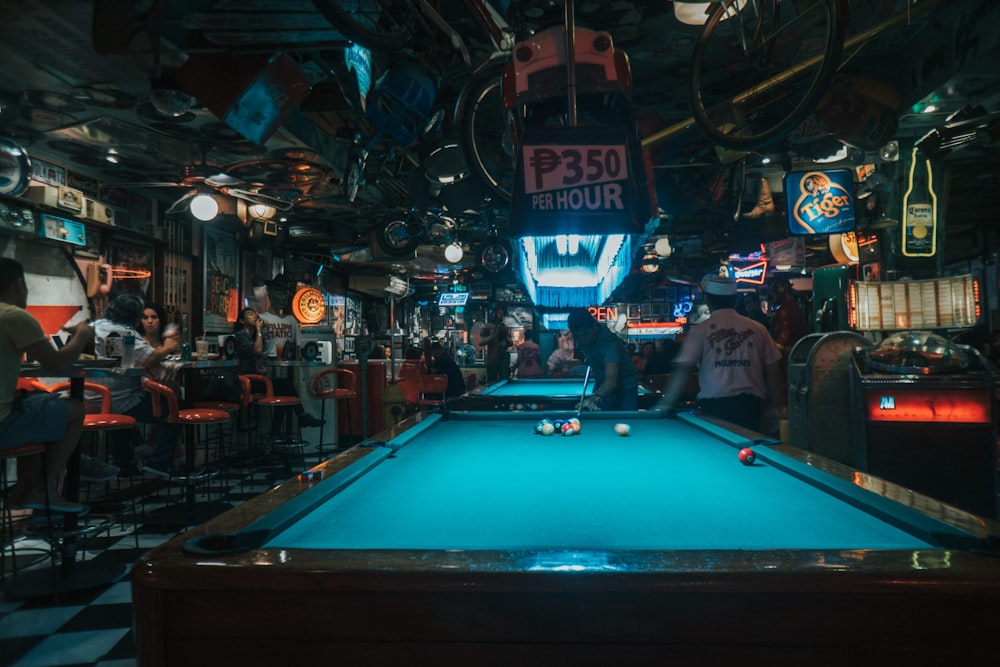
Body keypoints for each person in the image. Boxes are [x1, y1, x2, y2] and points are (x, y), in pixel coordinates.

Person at [0, 258, 96, 513]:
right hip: (2, 425)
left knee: (36, 403)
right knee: (75, 409)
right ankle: (44, 490)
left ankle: (22, 490)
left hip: (9, 417)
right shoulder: (13, 315)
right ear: (19, 284)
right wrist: (82, 335)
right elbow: (59, 364)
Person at [657, 276, 782, 435]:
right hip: (751, 408)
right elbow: (773, 368)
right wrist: (774, 407)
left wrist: (666, 403)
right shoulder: (758, 329)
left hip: (715, 409)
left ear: (708, 301)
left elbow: (683, 369)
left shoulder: (700, 331)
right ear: (736, 301)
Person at [92, 293, 183, 478]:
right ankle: (160, 463)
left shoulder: (95, 326)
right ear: (135, 316)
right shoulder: (125, 333)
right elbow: (150, 359)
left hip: (91, 395)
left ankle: (124, 464)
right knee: (172, 406)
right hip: (118, 398)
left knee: (121, 407)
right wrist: (168, 345)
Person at [566, 308, 639, 411]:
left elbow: (611, 380)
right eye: (577, 337)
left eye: (585, 334)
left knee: (625, 422)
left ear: (594, 326)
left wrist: (595, 397)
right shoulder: (584, 338)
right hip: (601, 382)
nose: (583, 340)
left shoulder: (608, 343)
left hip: (625, 388)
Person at [479, 306, 511, 384]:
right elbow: (481, 342)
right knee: (491, 381)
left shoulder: (505, 327)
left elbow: (510, 343)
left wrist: (506, 335)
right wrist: (493, 336)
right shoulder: (487, 326)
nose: (499, 315)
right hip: (492, 358)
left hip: (503, 358)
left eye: (500, 313)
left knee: (504, 381)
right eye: (497, 313)